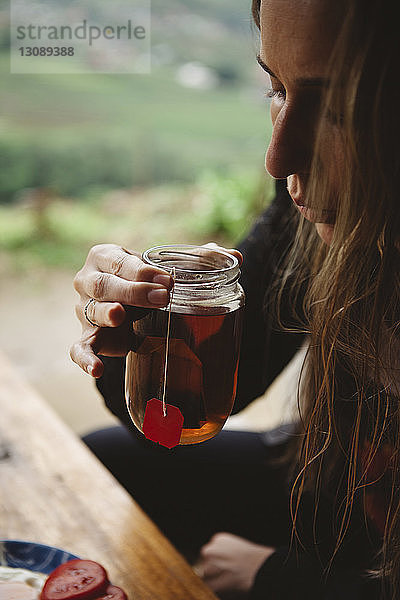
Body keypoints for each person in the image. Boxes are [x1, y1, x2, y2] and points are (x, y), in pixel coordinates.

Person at [70, 0, 400, 598]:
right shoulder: (316, 215)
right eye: (277, 87)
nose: (279, 157)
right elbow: (203, 406)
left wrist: (276, 578)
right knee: (106, 458)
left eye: (340, 109)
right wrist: (137, 328)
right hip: (335, 486)